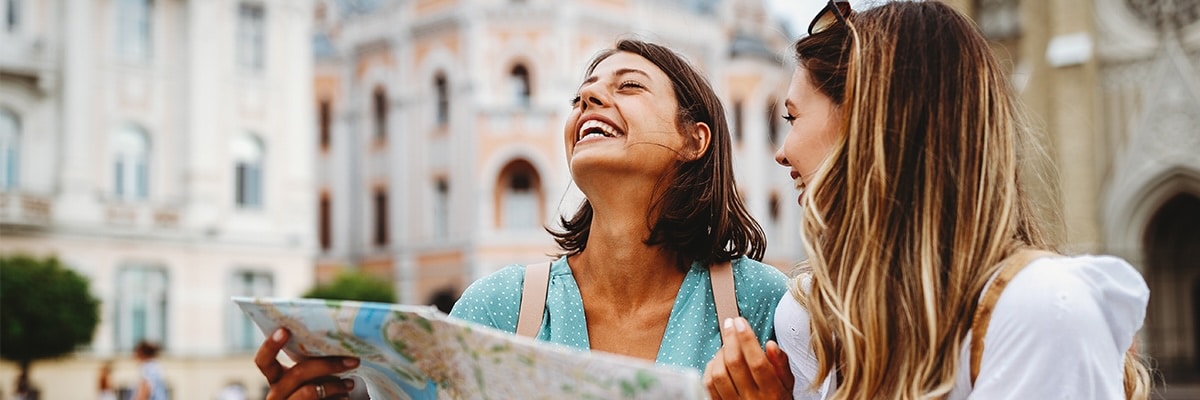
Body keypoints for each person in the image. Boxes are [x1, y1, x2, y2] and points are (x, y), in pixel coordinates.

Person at [253, 38, 789, 399]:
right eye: (582, 94)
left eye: (628, 86)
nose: (589, 97)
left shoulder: (764, 304)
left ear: (694, 140)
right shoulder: (496, 304)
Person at [702, 1, 1152, 399]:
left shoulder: (1042, 308)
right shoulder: (809, 317)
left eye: (792, 118)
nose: (782, 151)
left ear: (870, 122)